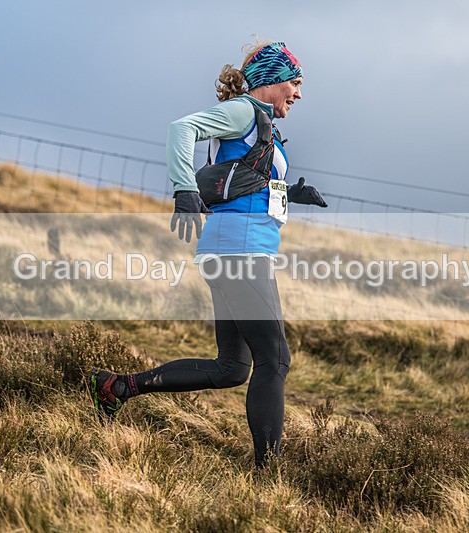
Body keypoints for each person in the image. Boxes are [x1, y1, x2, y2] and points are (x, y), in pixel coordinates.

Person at [89, 40, 327, 468]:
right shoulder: (244, 110)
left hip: (237, 247)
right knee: (274, 361)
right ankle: (267, 473)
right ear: (271, 80)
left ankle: (117, 387)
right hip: (240, 248)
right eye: (295, 82)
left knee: (232, 369)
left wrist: (290, 193)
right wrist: (183, 187)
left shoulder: (261, 124)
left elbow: (239, 181)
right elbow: (181, 129)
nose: (299, 92)